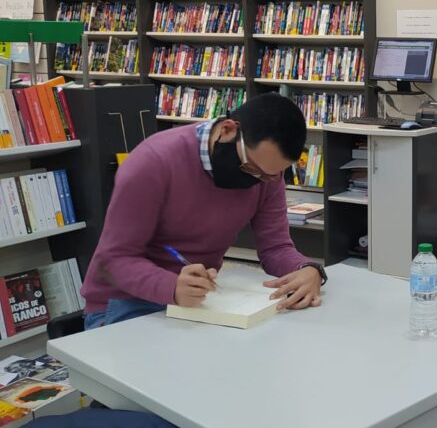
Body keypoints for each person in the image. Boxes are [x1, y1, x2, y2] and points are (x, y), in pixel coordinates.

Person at [81, 92, 327, 329]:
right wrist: (172, 287)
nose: (259, 181)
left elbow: (276, 248)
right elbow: (113, 260)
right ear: (228, 130)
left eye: (271, 175)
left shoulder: (268, 176)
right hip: (123, 304)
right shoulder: (153, 162)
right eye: (252, 169)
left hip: (199, 301)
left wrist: (307, 270)